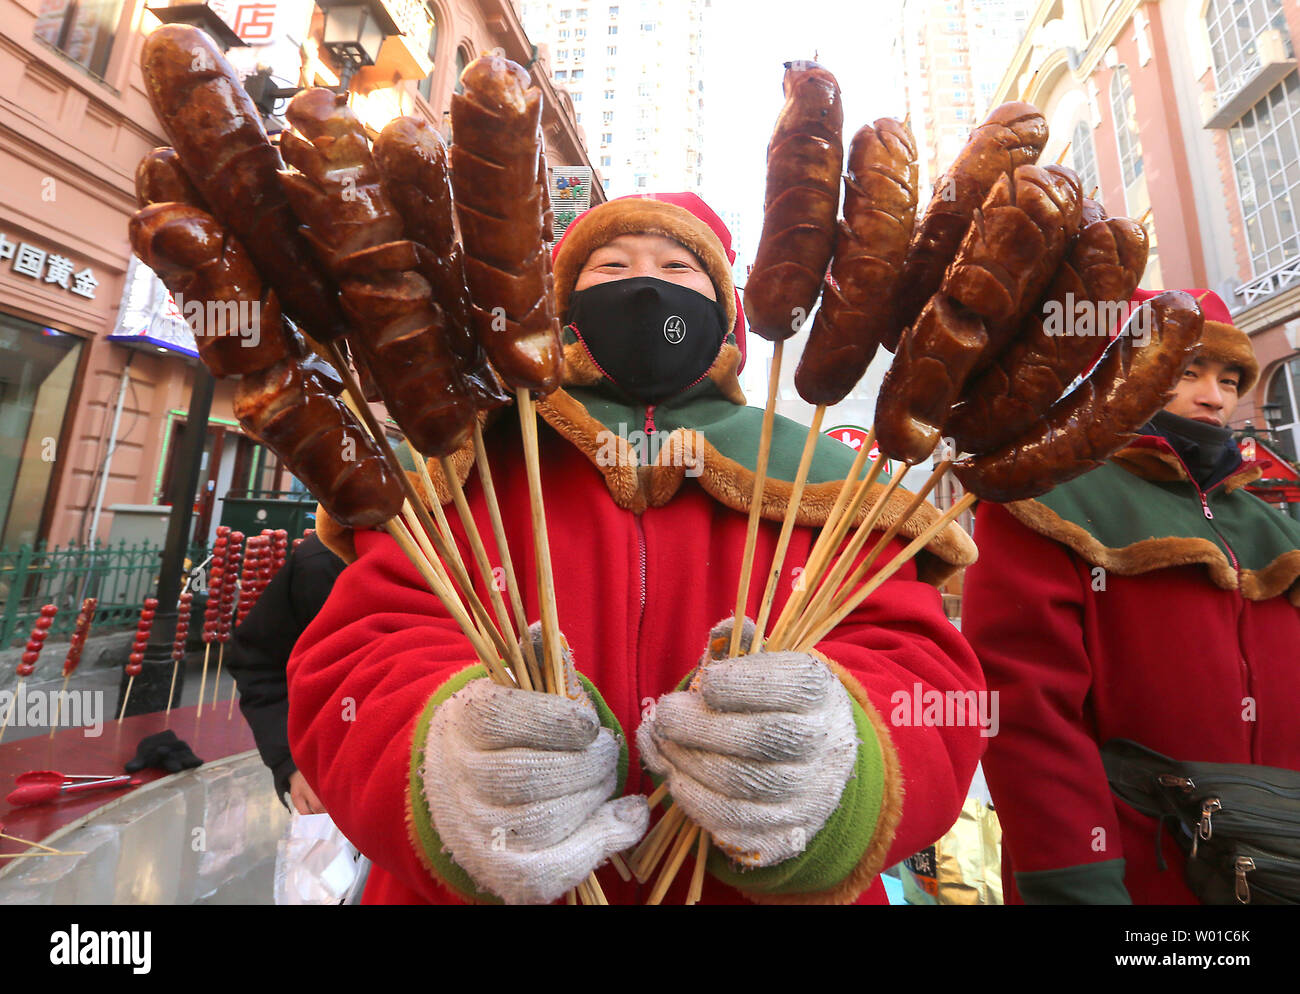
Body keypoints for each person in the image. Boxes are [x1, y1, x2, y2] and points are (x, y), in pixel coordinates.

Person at [287, 191, 984, 904]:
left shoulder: (825, 483)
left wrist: (840, 764)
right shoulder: (461, 463)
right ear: (556, 308)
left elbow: (926, 680)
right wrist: (445, 759)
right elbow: (359, 657)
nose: (645, 286)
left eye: (679, 266)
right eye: (611, 264)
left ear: (728, 310)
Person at [962, 287, 1300, 904]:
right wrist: (1076, 885)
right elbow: (1026, 718)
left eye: (1229, 378)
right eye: (1187, 371)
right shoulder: (1046, 500)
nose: (1214, 397)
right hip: (1136, 881)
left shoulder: (1276, 526)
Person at [224, 532, 344, 814]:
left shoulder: (465, 550)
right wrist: (290, 762)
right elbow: (260, 665)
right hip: (341, 792)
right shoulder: (325, 559)